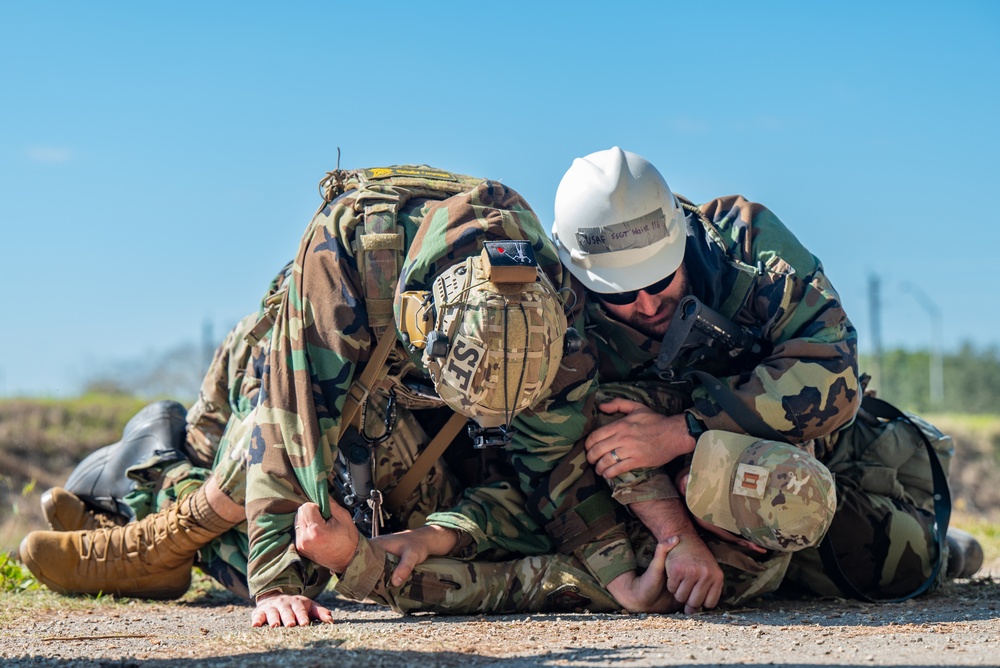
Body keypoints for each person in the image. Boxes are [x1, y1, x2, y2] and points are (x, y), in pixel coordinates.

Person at [290, 147, 981, 617]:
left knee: (900, 558)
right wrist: (669, 536)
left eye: (660, 282)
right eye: (620, 294)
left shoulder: (746, 244)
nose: (646, 305)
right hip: (680, 504)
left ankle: (942, 548)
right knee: (854, 561)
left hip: (814, 449)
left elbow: (833, 376)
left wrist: (681, 432)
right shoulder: (555, 316)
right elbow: (554, 472)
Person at [20, 165, 625, 624]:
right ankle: (154, 531)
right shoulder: (353, 251)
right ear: (421, 324)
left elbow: (553, 458)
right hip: (277, 371)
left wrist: (615, 568)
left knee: (329, 537)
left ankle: (161, 522)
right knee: (276, 506)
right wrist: (278, 581)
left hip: (417, 438)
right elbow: (295, 415)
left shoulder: (550, 309)